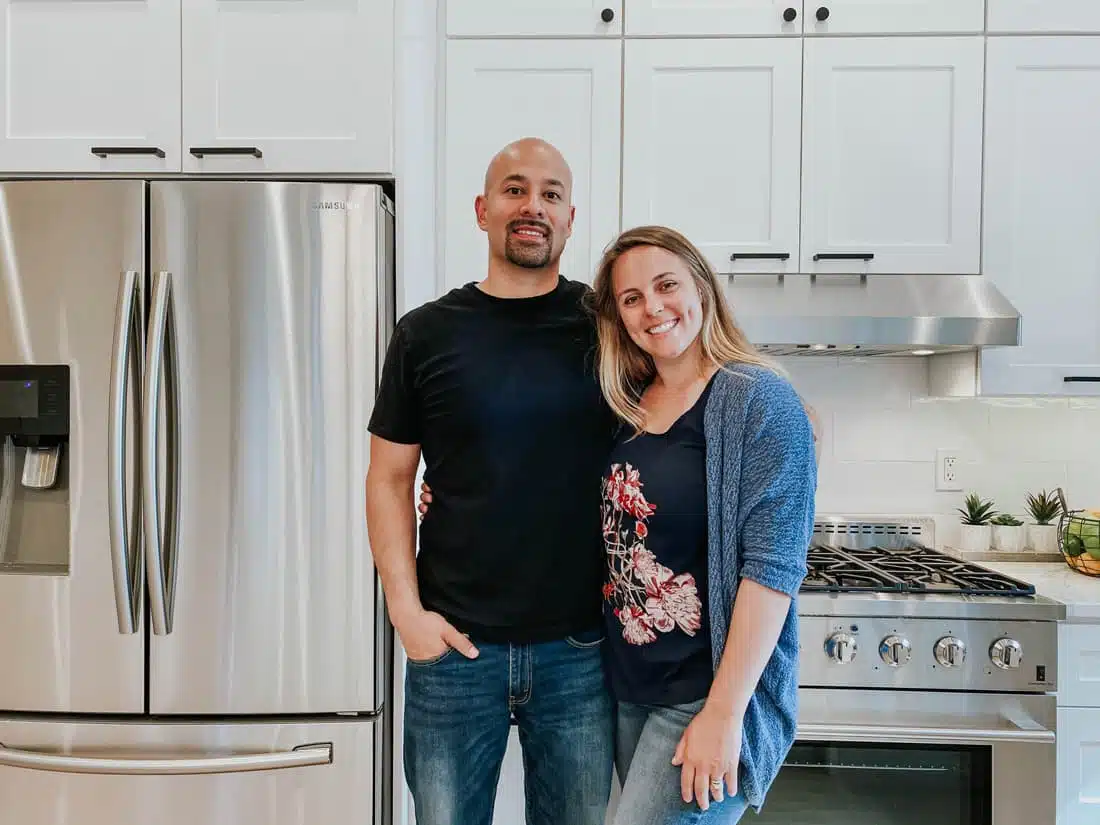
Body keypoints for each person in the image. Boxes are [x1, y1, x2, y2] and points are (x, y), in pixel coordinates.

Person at [364, 137, 617, 825]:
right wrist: (406, 615)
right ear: (482, 209)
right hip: (453, 648)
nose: (532, 205)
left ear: (570, 218)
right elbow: (389, 478)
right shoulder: (425, 334)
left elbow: (688, 402)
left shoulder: (610, 328)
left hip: (579, 648)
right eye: (514, 189)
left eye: (551, 193)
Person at [589, 224, 817, 824]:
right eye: (631, 298)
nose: (652, 308)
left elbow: (774, 570)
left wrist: (725, 711)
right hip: (629, 690)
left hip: (701, 697)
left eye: (667, 285)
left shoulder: (758, 399)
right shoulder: (628, 404)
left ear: (703, 290)